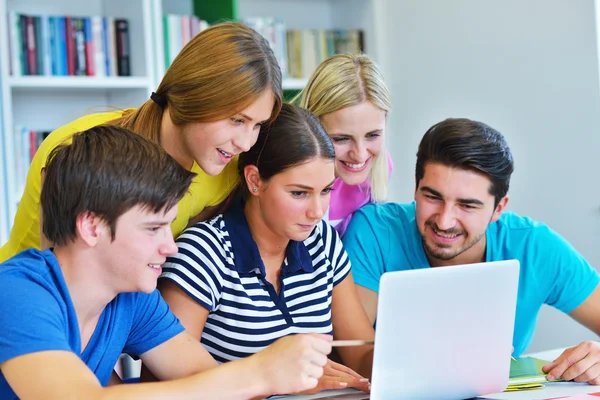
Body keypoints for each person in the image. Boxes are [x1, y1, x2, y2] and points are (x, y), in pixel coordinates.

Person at [0, 125, 333, 400]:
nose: (170, 247)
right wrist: (260, 372)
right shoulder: (17, 293)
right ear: (91, 226)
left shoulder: (133, 298)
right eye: (153, 229)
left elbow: (201, 378)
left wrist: (279, 376)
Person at [343, 117, 600, 384]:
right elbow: (357, 359)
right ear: (416, 188)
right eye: (432, 197)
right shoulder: (374, 231)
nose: (444, 221)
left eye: (467, 205)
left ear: (498, 209)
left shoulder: (534, 246)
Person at [0, 21, 282, 262]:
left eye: (257, 124)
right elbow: (58, 286)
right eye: (236, 120)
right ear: (193, 96)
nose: (246, 143)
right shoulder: (78, 151)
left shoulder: (228, 168)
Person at [156, 103, 375, 394]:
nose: (317, 211)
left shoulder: (322, 241)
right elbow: (165, 387)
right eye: (299, 193)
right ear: (255, 181)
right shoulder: (202, 253)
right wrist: (284, 382)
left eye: (325, 191)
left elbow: (360, 354)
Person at [294, 53, 392, 237]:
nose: (360, 155)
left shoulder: (380, 166)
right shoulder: (287, 176)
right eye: (341, 139)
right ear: (311, 125)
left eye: (372, 135)